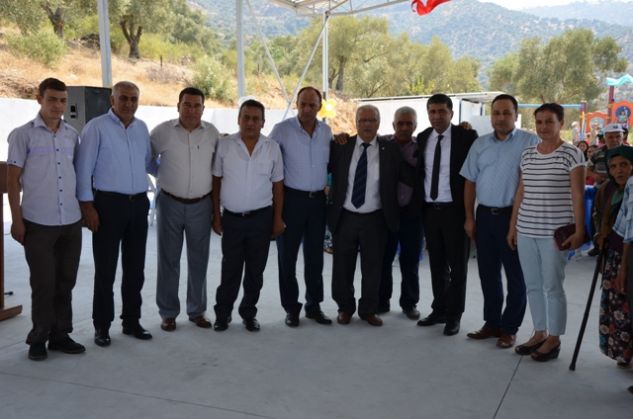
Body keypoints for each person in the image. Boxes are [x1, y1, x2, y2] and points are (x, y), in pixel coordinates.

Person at [7, 78, 85, 361]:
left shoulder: (72, 135)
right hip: (38, 223)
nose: (58, 106)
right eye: (52, 99)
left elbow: (76, 174)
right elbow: (12, 182)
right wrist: (17, 220)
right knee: (43, 284)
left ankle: (60, 335)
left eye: (63, 100)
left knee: (66, 282)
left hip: (70, 222)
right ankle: (38, 337)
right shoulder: (23, 135)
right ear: (39, 99)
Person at [76, 81, 154, 347]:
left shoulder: (142, 128)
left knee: (135, 269)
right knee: (106, 269)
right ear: (112, 100)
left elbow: (148, 163)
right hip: (108, 205)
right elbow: (83, 169)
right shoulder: (96, 128)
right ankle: (102, 326)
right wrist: (87, 206)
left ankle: (131, 321)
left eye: (134, 99)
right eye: (123, 98)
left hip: (138, 204)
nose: (129, 103)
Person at [508, 103, 585, 362]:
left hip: (555, 234)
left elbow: (578, 195)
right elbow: (521, 192)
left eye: (549, 121)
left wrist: (580, 231)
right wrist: (513, 226)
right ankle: (539, 332)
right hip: (526, 229)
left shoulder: (572, 154)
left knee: (552, 286)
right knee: (532, 285)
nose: (543, 127)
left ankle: (554, 338)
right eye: (539, 122)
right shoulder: (528, 155)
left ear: (560, 123)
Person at [460, 94, 539, 348]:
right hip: (484, 217)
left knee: (516, 277)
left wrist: (518, 223)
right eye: (496, 113)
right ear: (491, 115)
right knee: (488, 274)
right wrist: (469, 218)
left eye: (506, 113)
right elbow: (469, 182)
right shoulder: (480, 144)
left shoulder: (530, 142)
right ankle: (492, 323)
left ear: (516, 115)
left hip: (515, 218)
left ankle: (509, 328)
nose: (501, 118)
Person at [328, 105, 407, 326]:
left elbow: (405, 173)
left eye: (372, 120)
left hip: (375, 218)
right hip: (345, 216)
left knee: (373, 268)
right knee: (342, 267)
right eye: (362, 120)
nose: (367, 124)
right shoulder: (341, 146)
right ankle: (345, 308)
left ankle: (368, 310)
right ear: (356, 122)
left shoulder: (390, 149)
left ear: (379, 123)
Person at [211, 99, 285, 332]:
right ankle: (223, 314)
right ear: (238, 119)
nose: (250, 123)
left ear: (263, 122)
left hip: (261, 220)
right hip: (232, 219)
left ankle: (249, 313)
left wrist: (277, 219)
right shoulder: (225, 145)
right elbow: (216, 181)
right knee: (230, 270)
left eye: (255, 119)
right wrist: (216, 216)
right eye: (246, 117)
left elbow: (278, 186)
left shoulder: (272, 148)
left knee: (255, 271)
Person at [150, 87, 219, 332]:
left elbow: (217, 166)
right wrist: (165, 176)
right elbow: (148, 160)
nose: (191, 110)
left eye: (196, 105)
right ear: (178, 106)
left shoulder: (212, 133)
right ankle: (168, 313)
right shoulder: (162, 132)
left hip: (201, 204)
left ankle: (197, 310)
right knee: (168, 259)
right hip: (170, 203)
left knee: (199, 260)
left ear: (203, 108)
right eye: (187, 104)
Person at [269, 86, 332, 327]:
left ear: (319, 107)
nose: (307, 109)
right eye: (303, 104)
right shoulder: (281, 130)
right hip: (291, 201)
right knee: (287, 258)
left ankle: (313, 306)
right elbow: (268, 160)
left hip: (317, 203)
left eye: (312, 105)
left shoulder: (326, 132)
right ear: (296, 104)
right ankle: (291, 308)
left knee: (315, 259)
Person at [416, 93, 478, 336]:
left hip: (455, 211)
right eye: (432, 111)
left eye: (442, 111)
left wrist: (469, 215)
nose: (437, 116)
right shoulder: (423, 137)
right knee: (437, 265)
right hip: (431, 212)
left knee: (458, 268)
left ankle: (454, 315)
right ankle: (439, 309)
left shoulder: (466, 136)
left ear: (451, 113)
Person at [378, 106, 424, 320]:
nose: (404, 127)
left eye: (409, 124)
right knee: (383, 259)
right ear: (393, 124)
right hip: (386, 213)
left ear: (415, 126)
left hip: (412, 215)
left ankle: (409, 303)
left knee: (410, 261)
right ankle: (381, 301)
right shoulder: (381, 144)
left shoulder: (423, 146)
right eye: (400, 123)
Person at [593, 146, 633, 367]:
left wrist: (623, 267)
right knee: (617, 308)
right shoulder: (607, 189)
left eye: (624, 165)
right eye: (614, 166)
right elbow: (599, 216)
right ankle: (624, 353)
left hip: (627, 257)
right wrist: (600, 235)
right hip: (614, 254)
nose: (619, 170)